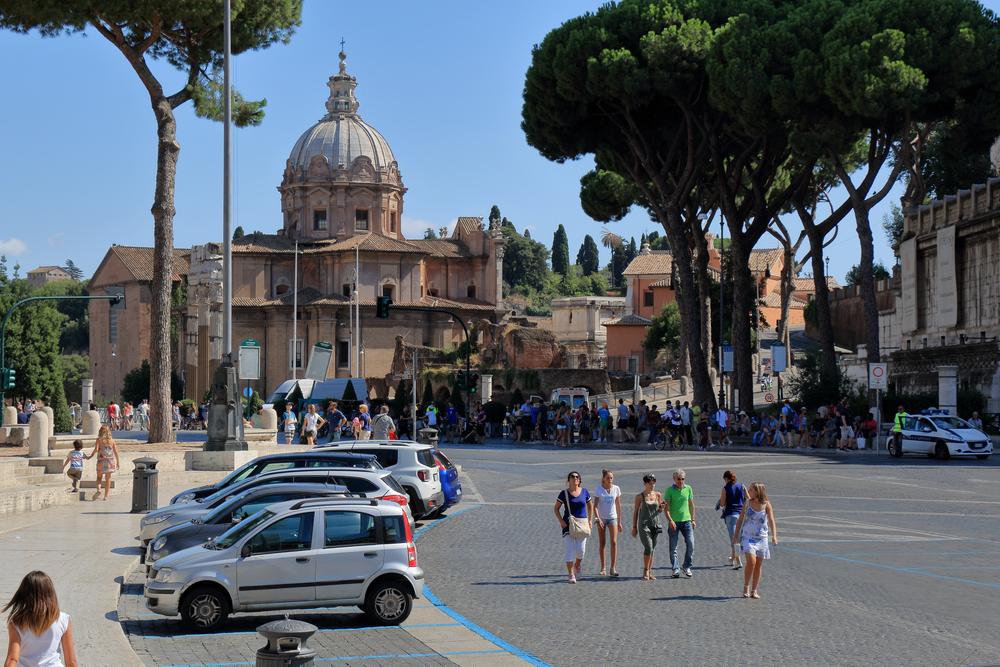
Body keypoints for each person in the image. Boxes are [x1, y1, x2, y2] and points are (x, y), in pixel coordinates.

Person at [3, 571, 78, 667]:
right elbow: (71, 661)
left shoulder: (16, 622)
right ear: (51, 594)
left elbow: (12, 659)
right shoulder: (63, 619)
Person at [733, 481, 778, 599]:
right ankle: (746, 587)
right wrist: (736, 535)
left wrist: (774, 536)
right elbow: (740, 520)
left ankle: (754, 590)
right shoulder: (747, 503)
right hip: (748, 537)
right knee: (751, 562)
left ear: (757, 491)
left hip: (762, 538)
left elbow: (772, 520)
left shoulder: (767, 504)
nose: (748, 491)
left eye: (751, 490)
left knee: (758, 565)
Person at [553, 471, 592, 584]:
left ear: (579, 480)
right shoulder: (563, 493)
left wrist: (590, 520)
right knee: (569, 549)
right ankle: (571, 574)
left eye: (577, 477)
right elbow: (556, 508)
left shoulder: (584, 492)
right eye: (572, 477)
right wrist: (561, 521)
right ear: (568, 480)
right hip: (568, 525)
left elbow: (591, 505)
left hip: (582, 525)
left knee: (581, 551)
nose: (575, 478)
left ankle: (577, 565)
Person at [631, 473, 664, 581]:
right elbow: (635, 512)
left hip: (655, 524)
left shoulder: (658, 495)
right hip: (644, 525)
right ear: (645, 484)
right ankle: (645, 570)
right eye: (650, 483)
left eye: (654, 482)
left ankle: (649, 571)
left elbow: (659, 509)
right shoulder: (640, 496)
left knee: (652, 549)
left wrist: (662, 508)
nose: (652, 485)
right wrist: (634, 527)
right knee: (648, 547)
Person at [664, 468, 696, 578]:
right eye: (678, 479)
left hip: (687, 521)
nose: (680, 481)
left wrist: (693, 520)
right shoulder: (669, 490)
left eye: (682, 479)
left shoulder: (688, 489)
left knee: (691, 543)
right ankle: (675, 568)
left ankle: (686, 566)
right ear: (674, 479)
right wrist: (670, 520)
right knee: (673, 547)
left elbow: (691, 505)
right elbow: (666, 509)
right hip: (674, 522)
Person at [593, 470, 622, 577]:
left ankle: (613, 568)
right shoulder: (598, 489)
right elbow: (595, 506)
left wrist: (619, 522)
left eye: (611, 478)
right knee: (602, 542)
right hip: (602, 518)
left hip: (612, 518)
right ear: (604, 478)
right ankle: (603, 567)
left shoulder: (616, 489)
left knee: (614, 542)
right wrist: (598, 518)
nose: (610, 480)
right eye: (608, 478)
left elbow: (618, 506)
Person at [717, 470, 746, 569]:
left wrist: (719, 502)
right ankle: (732, 558)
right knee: (737, 538)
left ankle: (738, 561)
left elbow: (722, 504)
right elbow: (748, 498)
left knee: (734, 540)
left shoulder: (725, 488)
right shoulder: (742, 486)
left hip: (731, 515)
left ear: (726, 478)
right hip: (741, 515)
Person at [89, 426, 119, 502]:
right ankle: (106, 496)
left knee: (99, 477)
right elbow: (116, 452)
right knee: (108, 479)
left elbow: (96, 449)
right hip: (110, 462)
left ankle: (99, 489)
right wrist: (118, 462)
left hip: (101, 461)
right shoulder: (112, 441)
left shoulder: (99, 440)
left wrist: (90, 456)